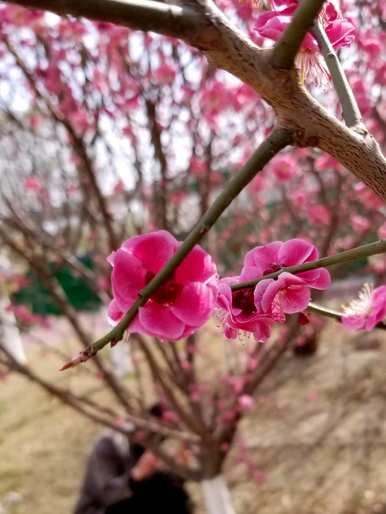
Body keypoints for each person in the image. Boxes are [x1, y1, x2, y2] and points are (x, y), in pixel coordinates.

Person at [73, 405, 192, 514]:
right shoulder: (107, 447)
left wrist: (178, 471)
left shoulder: (147, 448)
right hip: (98, 509)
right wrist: (136, 476)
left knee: (175, 495)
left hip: (131, 502)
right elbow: (107, 494)